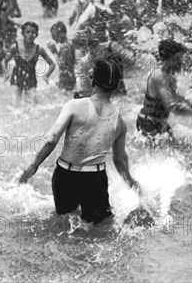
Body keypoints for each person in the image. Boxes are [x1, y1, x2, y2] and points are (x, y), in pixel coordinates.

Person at [19, 59, 139, 224]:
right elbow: (119, 160)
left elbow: (52, 138)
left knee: (66, 224)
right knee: (99, 228)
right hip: (95, 179)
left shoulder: (75, 106)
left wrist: (33, 165)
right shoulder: (119, 122)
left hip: (66, 176)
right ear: (116, 86)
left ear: (92, 79)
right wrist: (131, 182)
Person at [136, 40, 192, 137]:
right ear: (168, 59)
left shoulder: (169, 76)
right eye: (178, 59)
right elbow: (172, 106)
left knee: (176, 149)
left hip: (159, 123)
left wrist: (187, 102)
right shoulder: (158, 75)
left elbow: (171, 95)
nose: (181, 62)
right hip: (148, 123)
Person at [4, 22, 55, 105]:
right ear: (22, 33)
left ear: (37, 35)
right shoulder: (15, 47)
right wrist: (6, 72)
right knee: (16, 104)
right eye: (28, 32)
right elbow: (5, 61)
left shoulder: (39, 49)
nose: (31, 35)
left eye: (33, 33)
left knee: (31, 105)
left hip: (31, 78)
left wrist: (46, 75)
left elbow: (52, 64)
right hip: (18, 77)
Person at [47, 22, 76, 92]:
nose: (53, 38)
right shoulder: (68, 44)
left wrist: (54, 52)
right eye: (52, 36)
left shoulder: (65, 47)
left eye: (54, 35)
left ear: (62, 34)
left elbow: (62, 64)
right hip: (69, 79)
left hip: (67, 81)